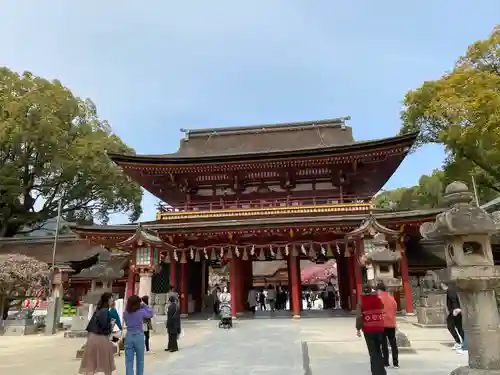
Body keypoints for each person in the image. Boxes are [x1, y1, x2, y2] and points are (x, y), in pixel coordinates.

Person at [79, 292, 116, 375]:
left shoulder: (98, 310)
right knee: (106, 362)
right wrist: (111, 325)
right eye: (112, 299)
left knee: (91, 362)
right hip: (101, 338)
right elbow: (104, 327)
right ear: (109, 299)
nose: (113, 301)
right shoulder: (105, 311)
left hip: (92, 337)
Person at [356, 285, 386, 375]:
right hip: (379, 328)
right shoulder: (378, 299)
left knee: (373, 352)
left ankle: (376, 372)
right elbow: (382, 308)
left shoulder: (361, 300)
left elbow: (359, 316)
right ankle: (382, 371)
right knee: (379, 350)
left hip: (368, 329)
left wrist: (358, 328)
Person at [123, 295, 154, 375]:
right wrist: (144, 305)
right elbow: (151, 313)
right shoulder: (141, 312)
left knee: (129, 361)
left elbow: (126, 322)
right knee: (140, 360)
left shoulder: (125, 313)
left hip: (129, 336)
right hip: (139, 336)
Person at [376, 282, 399, 368]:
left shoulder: (379, 299)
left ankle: (386, 362)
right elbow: (395, 309)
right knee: (393, 343)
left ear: (379, 290)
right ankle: (395, 362)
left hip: (382, 324)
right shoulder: (392, 298)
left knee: (384, 344)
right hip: (391, 324)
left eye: (377, 290)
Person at [441, 282, 464, 350]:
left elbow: (454, 300)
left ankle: (458, 342)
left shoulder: (450, 290)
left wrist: (456, 309)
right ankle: (463, 342)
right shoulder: (451, 290)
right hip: (456, 310)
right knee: (459, 326)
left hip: (454, 311)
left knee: (450, 326)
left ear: (443, 284)